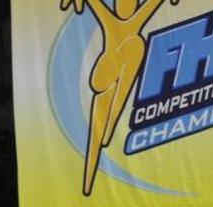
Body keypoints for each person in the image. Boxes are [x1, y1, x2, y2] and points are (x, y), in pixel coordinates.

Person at [60, 0, 167, 195]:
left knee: (136, 45)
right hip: (103, 76)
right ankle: (107, 130)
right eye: (122, 4)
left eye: (130, 4)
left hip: (122, 68)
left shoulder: (135, 21)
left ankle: (109, 127)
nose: (125, 7)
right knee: (95, 141)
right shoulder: (112, 20)